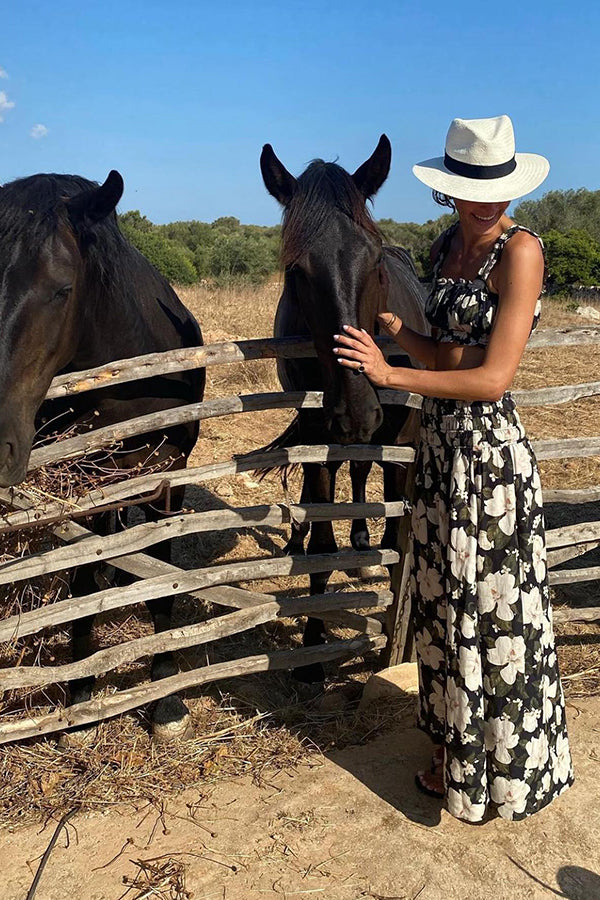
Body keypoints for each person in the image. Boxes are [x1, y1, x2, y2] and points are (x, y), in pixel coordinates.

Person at [334, 115, 574, 823]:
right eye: (471, 187)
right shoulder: (445, 247)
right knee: (445, 612)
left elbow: (494, 378)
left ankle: (503, 773)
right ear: (450, 190)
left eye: (495, 186)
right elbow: (450, 358)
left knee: (495, 618)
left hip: (490, 462)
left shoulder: (519, 252)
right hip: (440, 454)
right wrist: (403, 337)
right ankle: (455, 757)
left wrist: (391, 374)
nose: (485, 201)